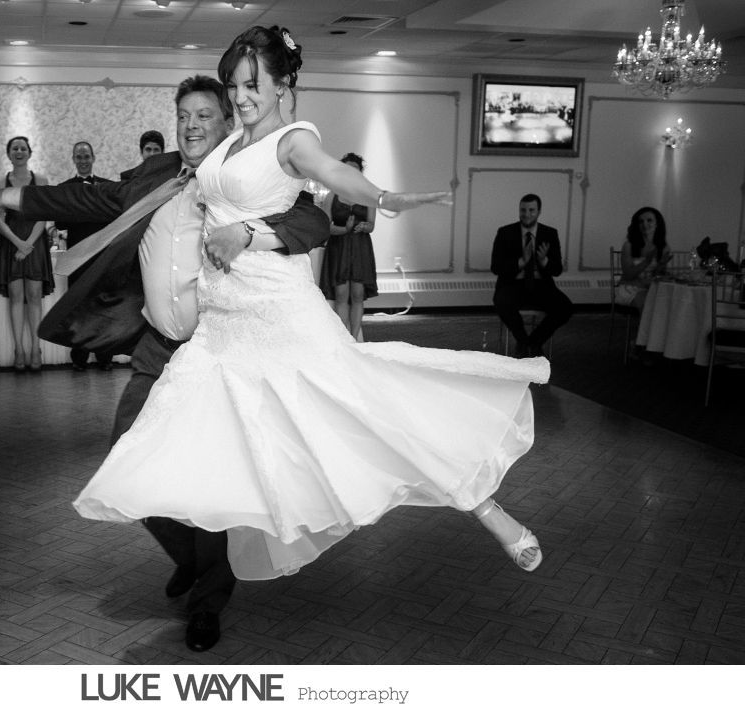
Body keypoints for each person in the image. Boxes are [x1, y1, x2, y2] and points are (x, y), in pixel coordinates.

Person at [70, 26, 547, 650]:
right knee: (192, 437)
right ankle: (199, 557)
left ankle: (488, 508)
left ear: (283, 85)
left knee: (365, 410)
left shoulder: (294, 141)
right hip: (222, 328)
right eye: (235, 85)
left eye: (252, 86)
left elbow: (329, 184)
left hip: (276, 312)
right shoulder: (231, 142)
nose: (240, 98)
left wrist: (384, 197)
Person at [0, 73, 329, 653]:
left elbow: (310, 219)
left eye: (203, 115)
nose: (190, 124)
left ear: (228, 120)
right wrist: (11, 196)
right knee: (126, 455)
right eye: (183, 114)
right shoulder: (154, 175)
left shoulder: (249, 174)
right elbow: (81, 198)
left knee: (210, 483)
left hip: (219, 352)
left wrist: (247, 231)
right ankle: (191, 558)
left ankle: (209, 602)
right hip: (159, 350)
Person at [46, 141, 117, 371]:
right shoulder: (65, 188)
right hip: (77, 257)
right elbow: (60, 221)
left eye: (86, 156)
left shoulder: (108, 187)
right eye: (79, 156)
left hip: (102, 256)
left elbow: (114, 218)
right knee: (78, 309)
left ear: (93, 158)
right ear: (74, 160)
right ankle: (79, 359)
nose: (83, 160)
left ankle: (105, 358)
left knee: (103, 308)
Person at [0, 136, 53, 371]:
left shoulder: (41, 180)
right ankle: (19, 349)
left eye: (22, 148)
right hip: (11, 241)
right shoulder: (0, 181)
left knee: (34, 296)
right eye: (14, 148)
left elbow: (43, 216)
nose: (19, 151)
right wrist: (18, 243)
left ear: (29, 152)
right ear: (9, 153)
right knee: (16, 297)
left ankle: (36, 348)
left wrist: (28, 244)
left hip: (35, 241)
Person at [491, 193, 573, 358]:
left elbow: (557, 270)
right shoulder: (505, 232)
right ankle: (523, 340)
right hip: (513, 284)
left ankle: (533, 342)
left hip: (541, 285)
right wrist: (521, 262)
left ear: (539, 211)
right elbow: (496, 267)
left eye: (531, 210)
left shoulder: (550, 233)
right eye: (523, 210)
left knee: (565, 308)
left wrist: (544, 262)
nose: (526, 214)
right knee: (501, 301)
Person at [318, 152, 377, 339]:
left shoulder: (368, 195)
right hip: (339, 247)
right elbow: (326, 228)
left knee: (358, 294)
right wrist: (345, 229)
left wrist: (364, 226)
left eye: (356, 170)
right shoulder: (331, 196)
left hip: (360, 247)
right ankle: (345, 339)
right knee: (341, 294)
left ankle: (355, 336)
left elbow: (371, 225)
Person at [618, 206, 671, 314]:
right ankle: (650, 330)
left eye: (649, 220)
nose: (645, 224)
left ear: (657, 223)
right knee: (650, 303)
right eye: (641, 221)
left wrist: (661, 266)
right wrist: (646, 261)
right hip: (630, 288)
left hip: (651, 287)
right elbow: (628, 275)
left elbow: (658, 276)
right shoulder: (629, 245)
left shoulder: (664, 247)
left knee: (670, 301)